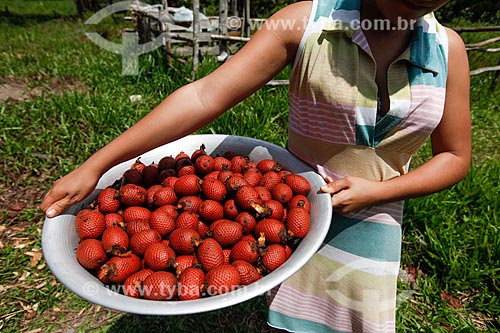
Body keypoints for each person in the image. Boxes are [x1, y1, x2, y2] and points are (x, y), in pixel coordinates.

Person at [40, 0, 471, 331]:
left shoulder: (448, 50)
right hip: (281, 209)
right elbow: (204, 96)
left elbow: (455, 157)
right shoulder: (306, 24)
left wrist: (379, 192)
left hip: (373, 223)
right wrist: (98, 165)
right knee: (287, 320)